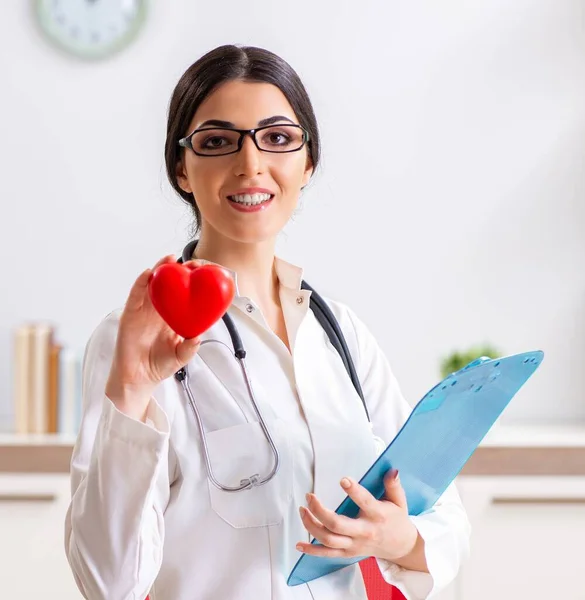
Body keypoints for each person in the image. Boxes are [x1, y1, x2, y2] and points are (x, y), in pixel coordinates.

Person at [64, 44, 470, 600]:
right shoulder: (134, 339)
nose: (250, 164)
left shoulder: (340, 333)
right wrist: (131, 390)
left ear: (308, 163)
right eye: (217, 141)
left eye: (277, 138)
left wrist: (402, 540)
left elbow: (438, 506)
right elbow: (108, 583)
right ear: (182, 169)